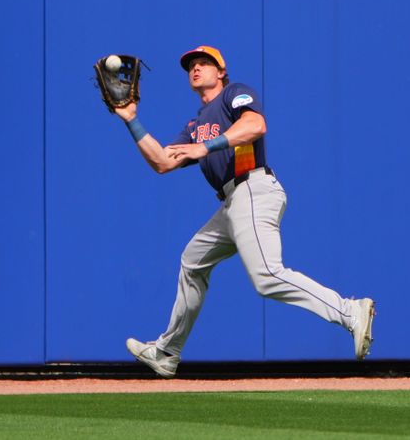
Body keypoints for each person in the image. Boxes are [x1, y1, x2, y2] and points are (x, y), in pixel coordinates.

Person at [115, 45, 375, 378]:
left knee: (266, 275)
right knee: (192, 261)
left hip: (252, 187)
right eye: (191, 65)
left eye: (204, 63)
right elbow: (163, 162)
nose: (196, 68)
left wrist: (206, 147)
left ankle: (350, 311)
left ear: (221, 71)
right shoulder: (195, 125)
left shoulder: (234, 95)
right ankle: (167, 352)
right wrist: (132, 120)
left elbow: (255, 125)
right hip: (230, 203)